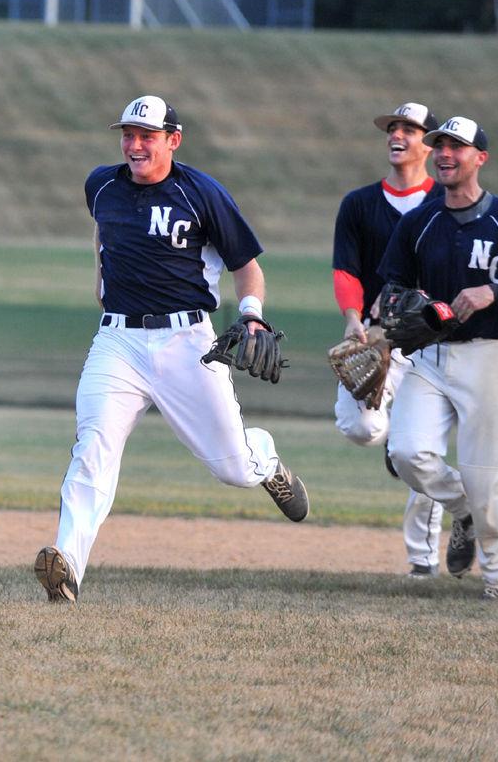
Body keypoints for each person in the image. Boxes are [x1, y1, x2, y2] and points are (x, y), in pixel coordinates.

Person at [35, 95, 310, 603]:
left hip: (188, 343)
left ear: (173, 140)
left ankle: (265, 461)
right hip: (117, 341)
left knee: (232, 468)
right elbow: (103, 236)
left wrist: (250, 314)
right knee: (93, 448)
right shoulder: (101, 185)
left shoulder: (200, 193)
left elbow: (246, 266)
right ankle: (66, 564)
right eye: (128, 134)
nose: (135, 145)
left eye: (147, 136)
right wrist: (101, 280)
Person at [380, 116, 498, 603]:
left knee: (484, 476)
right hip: (430, 356)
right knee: (406, 453)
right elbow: (392, 289)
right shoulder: (421, 221)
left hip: (490, 357)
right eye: (440, 146)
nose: (445, 154)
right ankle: (467, 512)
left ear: (481, 158)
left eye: (458, 147)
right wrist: (384, 323)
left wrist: (497, 293)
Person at [331, 103, 446, 576]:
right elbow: (346, 268)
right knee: (362, 430)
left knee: (422, 454)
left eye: (410, 129)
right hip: (374, 340)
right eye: (392, 128)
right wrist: (353, 317)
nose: (397, 134)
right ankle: (391, 438)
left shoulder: (445, 203)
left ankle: (423, 562)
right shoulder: (359, 204)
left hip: (430, 344)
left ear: (431, 144)